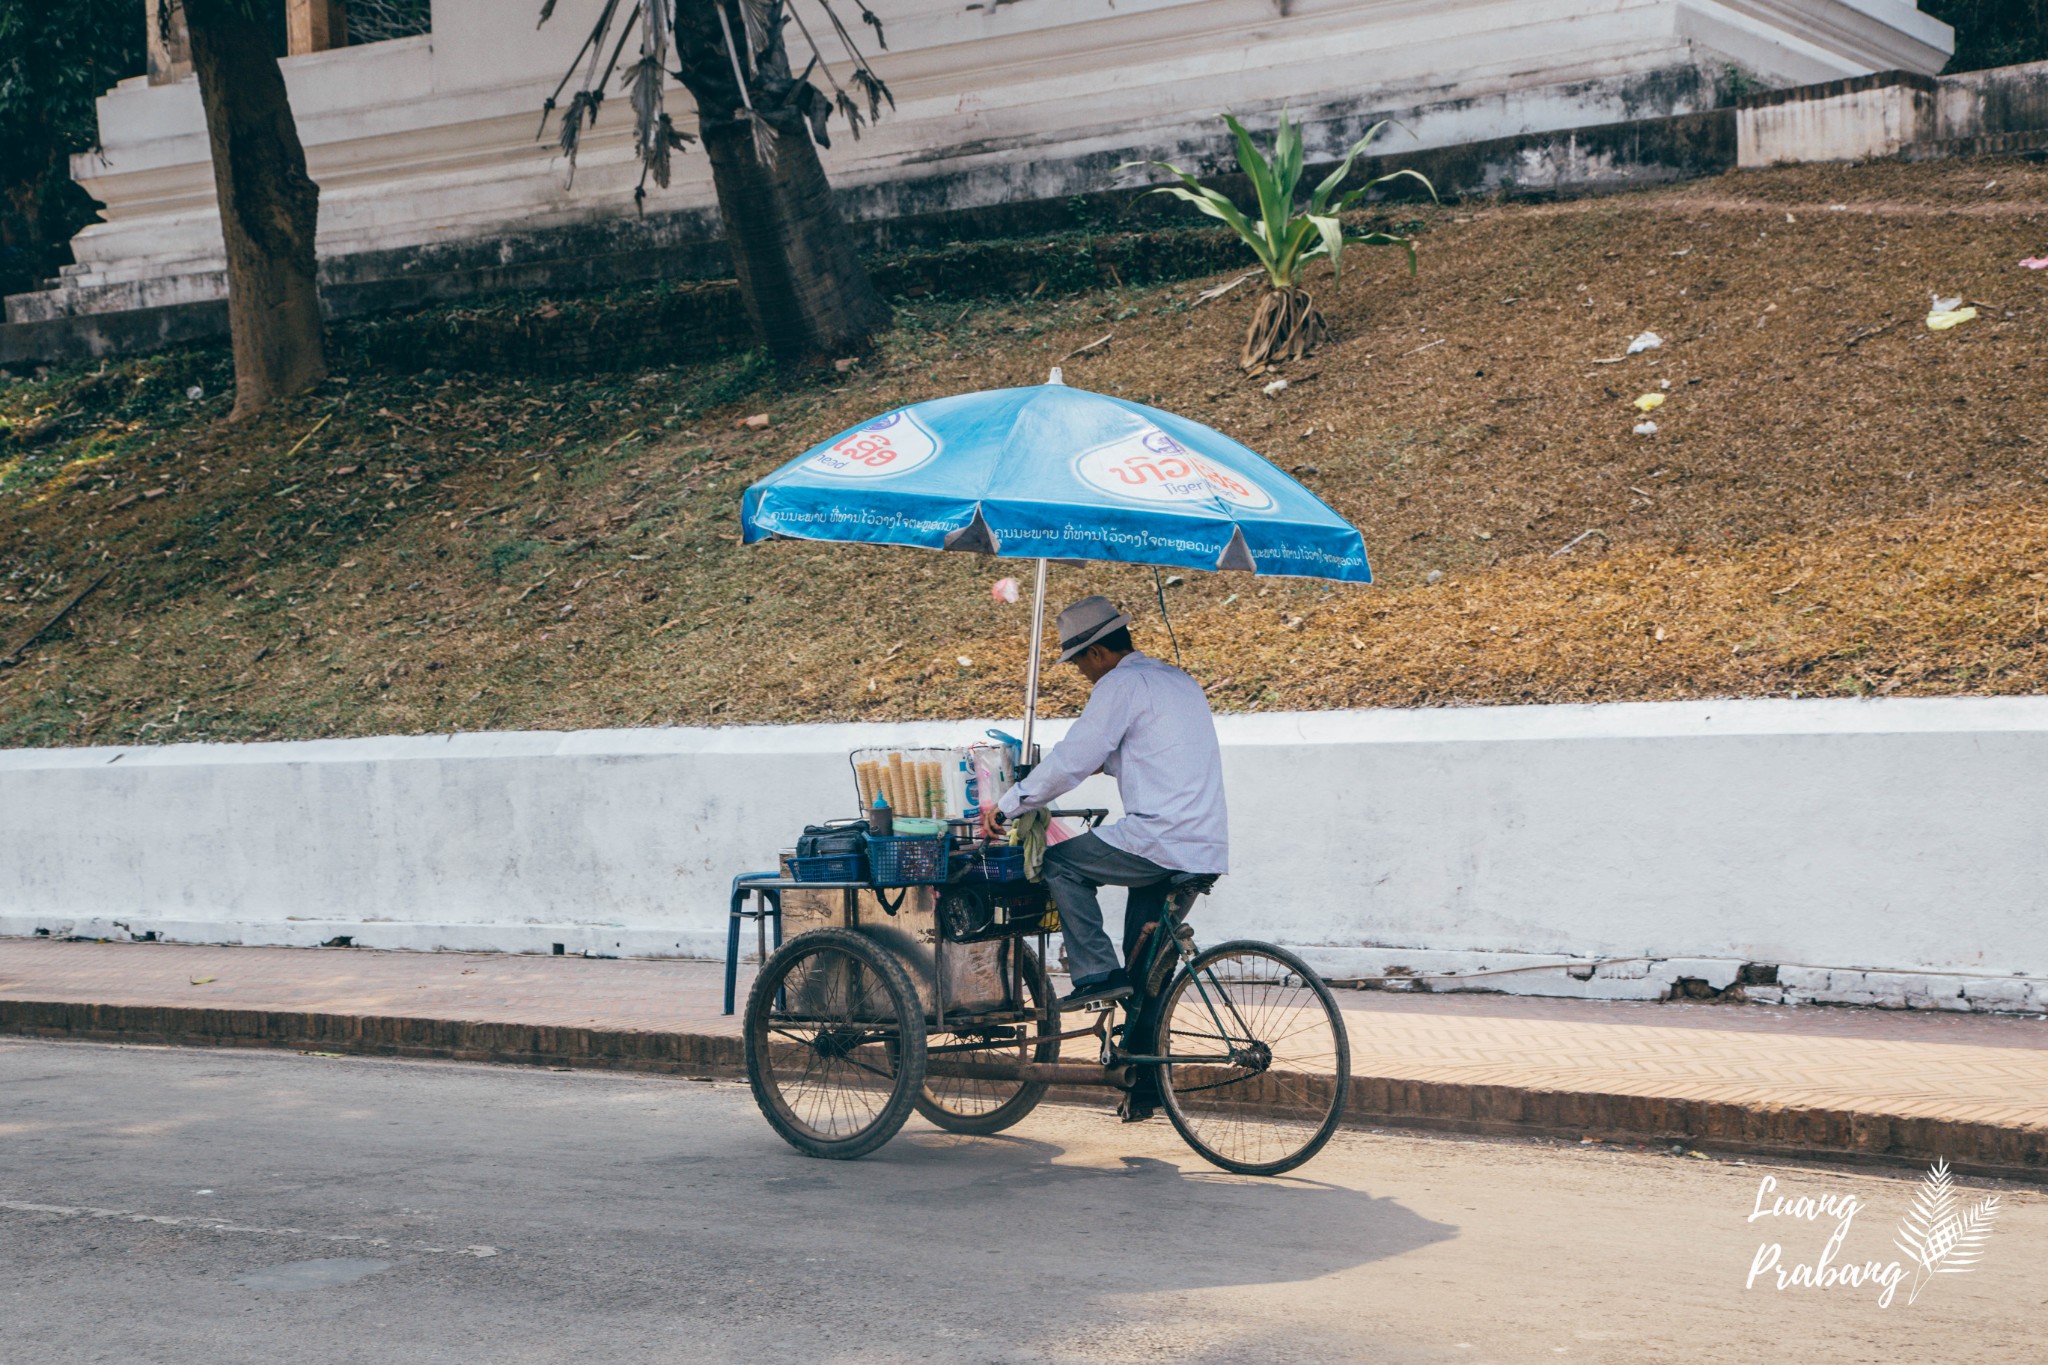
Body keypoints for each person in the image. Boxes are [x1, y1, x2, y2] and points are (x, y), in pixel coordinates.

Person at [979, 595, 1228, 1020]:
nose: (1084, 675)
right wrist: (1061, 772)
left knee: (1060, 864)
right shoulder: (1177, 680)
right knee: (1144, 980)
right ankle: (1145, 1083)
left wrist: (1007, 807)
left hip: (1158, 839)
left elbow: (1074, 759)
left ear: (1096, 652)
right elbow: (1137, 755)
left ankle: (1095, 974)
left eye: (1081, 665)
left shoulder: (1119, 685)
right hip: (1203, 842)